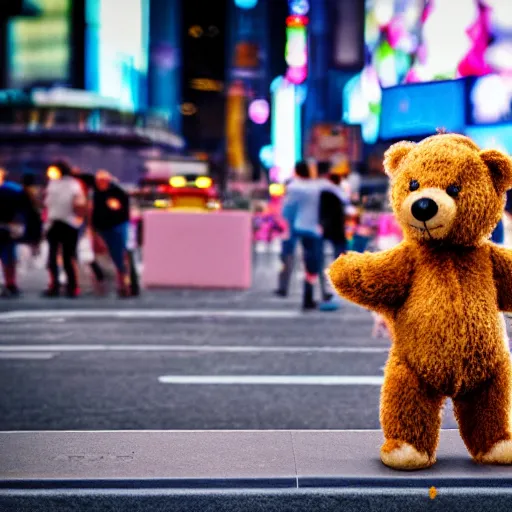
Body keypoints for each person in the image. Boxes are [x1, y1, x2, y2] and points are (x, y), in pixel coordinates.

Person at [279, 161, 324, 310]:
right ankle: (309, 296)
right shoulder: (316, 187)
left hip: (297, 227)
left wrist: (285, 227)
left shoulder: (293, 187)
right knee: (312, 263)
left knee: (292, 258)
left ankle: (287, 288)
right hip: (314, 229)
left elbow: (287, 209)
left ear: (296, 171)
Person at [43, 159, 86, 298]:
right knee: (52, 257)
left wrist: (79, 219)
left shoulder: (73, 185)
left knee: (68, 257)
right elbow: (47, 204)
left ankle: (72, 286)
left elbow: (79, 204)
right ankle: (54, 284)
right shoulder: (53, 184)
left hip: (68, 223)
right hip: (55, 223)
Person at [91, 170, 134, 298]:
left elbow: (123, 212)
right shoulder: (97, 193)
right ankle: (116, 282)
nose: (100, 184)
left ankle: (125, 284)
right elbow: (95, 212)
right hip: (103, 228)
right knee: (108, 256)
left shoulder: (118, 193)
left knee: (119, 255)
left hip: (116, 226)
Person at [317, 161, 349, 304]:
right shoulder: (337, 193)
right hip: (336, 230)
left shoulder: (321, 191)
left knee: (321, 261)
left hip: (323, 229)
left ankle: (325, 290)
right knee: (339, 259)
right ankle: (338, 286)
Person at [0, 168, 26, 297]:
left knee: (9, 257)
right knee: (9, 257)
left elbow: (21, 208)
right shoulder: (14, 189)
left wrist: (17, 223)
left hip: (7, 228)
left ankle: (11, 283)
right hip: (7, 227)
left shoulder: (12, 189)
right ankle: (9, 284)